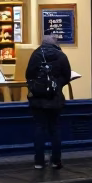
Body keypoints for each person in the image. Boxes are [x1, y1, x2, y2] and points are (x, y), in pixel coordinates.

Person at [26, 34, 72, 170]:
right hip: (55, 99)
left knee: (39, 128)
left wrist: (37, 86)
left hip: (38, 99)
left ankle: (39, 162)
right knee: (55, 129)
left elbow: (28, 74)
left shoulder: (35, 54)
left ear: (42, 43)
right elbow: (67, 75)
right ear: (55, 43)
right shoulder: (61, 56)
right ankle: (55, 161)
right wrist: (57, 85)